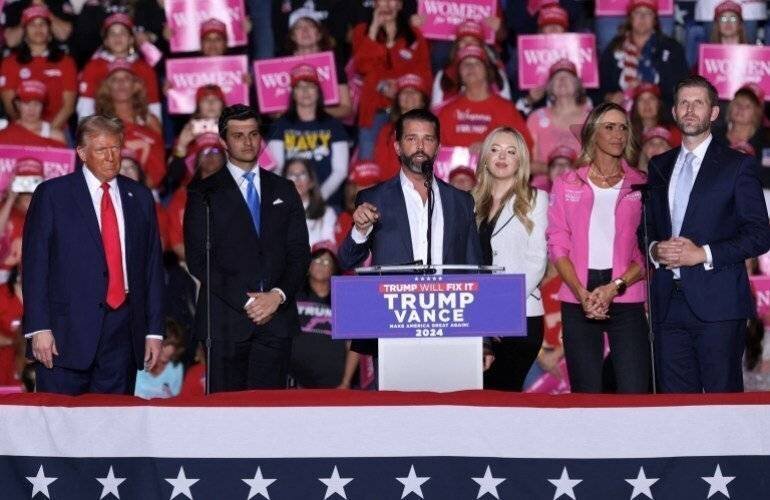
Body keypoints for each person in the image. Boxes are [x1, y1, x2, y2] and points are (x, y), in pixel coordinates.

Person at [644, 75, 770, 393]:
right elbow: (643, 229)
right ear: (673, 111)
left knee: (721, 407)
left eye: (698, 102)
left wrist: (703, 253)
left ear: (714, 113)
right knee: (674, 411)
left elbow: (759, 234)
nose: (690, 109)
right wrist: (655, 250)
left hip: (719, 304)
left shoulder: (737, 166)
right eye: (683, 102)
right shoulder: (658, 165)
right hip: (666, 304)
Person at [22, 115, 165, 395]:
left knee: (114, 427)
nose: (111, 157)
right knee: (61, 428)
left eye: (116, 148)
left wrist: (154, 331)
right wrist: (38, 327)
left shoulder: (140, 197)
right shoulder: (53, 194)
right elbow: (35, 265)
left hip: (122, 332)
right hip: (64, 334)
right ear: (82, 153)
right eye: (101, 150)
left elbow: (151, 268)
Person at [183, 104, 310, 392]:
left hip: (276, 320)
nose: (248, 141)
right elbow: (199, 259)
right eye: (238, 135)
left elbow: (299, 252)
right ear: (224, 141)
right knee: (225, 422)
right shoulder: (203, 193)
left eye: (253, 134)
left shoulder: (284, 189)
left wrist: (277, 296)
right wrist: (249, 302)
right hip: (226, 323)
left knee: (270, 419)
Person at [547, 102, 650, 393]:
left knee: (635, 393)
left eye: (623, 127)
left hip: (625, 292)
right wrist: (581, 293)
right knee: (586, 395)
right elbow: (557, 244)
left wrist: (614, 287)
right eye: (609, 127)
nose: (618, 134)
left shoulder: (641, 185)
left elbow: (647, 252)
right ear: (593, 134)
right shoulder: (567, 183)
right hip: (578, 292)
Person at [339, 108, 483, 270]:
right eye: (411, 139)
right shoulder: (373, 198)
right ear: (398, 147)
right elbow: (347, 261)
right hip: (392, 295)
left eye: (428, 139)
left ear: (438, 148)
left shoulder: (461, 201)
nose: (420, 146)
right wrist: (360, 230)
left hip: (450, 295)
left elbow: (475, 267)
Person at [473, 127, 548, 391]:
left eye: (511, 151)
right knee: (476, 398)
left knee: (504, 395)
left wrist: (501, 311)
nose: (502, 156)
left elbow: (537, 261)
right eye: (495, 150)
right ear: (484, 157)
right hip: (475, 317)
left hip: (520, 316)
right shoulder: (468, 202)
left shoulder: (537, 199)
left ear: (521, 160)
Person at [351, 0, 431, 160]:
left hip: (407, 107)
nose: (386, 4)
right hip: (374, 110)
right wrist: (373, 28)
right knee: (369, 161)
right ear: (374, 4)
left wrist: (401, 87)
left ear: (401, 5)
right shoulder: (361, 32)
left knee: (411, 158)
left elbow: (424, 74)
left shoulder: (414, 35)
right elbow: (362, 67)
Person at [267, 65, 349, 204]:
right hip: (289, 201)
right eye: (300, 87)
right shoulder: (280, 125)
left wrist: (319, 198)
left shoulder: (334, 125)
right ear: (293, 93)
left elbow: (340, 171)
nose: (305, 91)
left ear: (318, 92)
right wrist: (289, 197)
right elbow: (277, 167)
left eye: (310, 86)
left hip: (326, 202)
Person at [435, 45, 532, 152]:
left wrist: (492, 149)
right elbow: (435, 153)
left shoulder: (506, 108)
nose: (470, 67)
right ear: (459, 74)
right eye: (465, 64)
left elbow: (525, 148)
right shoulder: (447, 112)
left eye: (476, 63)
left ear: (487, 71)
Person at [0, 6, 77, 132]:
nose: (38, 28)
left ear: (50, 31)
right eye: (32, 24)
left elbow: (68, 106)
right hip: (21, 129)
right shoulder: (9, 63)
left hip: (56, 129)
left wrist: (48, 131)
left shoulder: (66, 62)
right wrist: (28, 130)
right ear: (24, 32)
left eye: (43, 24)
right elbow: (10, 106)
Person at [599, 0, 688, 109]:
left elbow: (681, 87)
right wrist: (609, 96)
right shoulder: (615, 46)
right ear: (630, 18)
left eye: (648, 13)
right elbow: (601, 85)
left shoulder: (672, 47)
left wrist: (648, 89)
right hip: (622, 112)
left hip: (661, 113)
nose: (642, 17)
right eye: (637, 13)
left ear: (655, 20)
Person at [77, 13, 162, 122]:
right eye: (112, 33)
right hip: (103, 127)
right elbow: (85, 107)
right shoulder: (93, 67)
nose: (117, 37)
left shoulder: (145, 68)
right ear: (106, 41)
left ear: (131, 39)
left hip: (138, 126)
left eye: (123, 32)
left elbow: (154, 108)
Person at [95, 60, 166, 188]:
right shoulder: (99, 123)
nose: (121, 83)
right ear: (107, 87)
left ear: (135, 85)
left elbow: (159, 166)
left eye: (126, 78)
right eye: (115, 80)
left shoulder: (148, 120)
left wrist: (139, 191)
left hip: (145, 190)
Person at [290, 241, 348, 388]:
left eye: (326, 261)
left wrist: (346, 382)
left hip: (334, 381)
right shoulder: (292, 294)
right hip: (295, 378)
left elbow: (352, 343)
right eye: (316, 260)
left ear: (334, 268)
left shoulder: (344, 299)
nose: (320, 264)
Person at [525, 59, 591, 175]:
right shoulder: (536, 118)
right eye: (557, 78)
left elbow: (601, 161)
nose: (562, 80)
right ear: (549, 87)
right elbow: (525, 163)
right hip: (543, 187)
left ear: (578, 85)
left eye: (568, 77)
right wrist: (553, 171)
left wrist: (571, 173)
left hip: (582, 185)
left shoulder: (592, 118)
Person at [373, 73, 430, 181]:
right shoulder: (386, 130)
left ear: (423, 100)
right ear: (398, 100)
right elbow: (381, 164)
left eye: (414, 91)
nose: (409, 94)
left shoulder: (434, 129)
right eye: (404, 91)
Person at [713, 84, 770, 169]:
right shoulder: (714, 137)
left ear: (757, 113)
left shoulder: (765, 143)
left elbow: (766, 176)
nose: (741, 108)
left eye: (747, 106)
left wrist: (752, 161)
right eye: (738, 103)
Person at [284, 158, 338, 246]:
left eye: (302, 174)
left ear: (311, 182)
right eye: (291, 175)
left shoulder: (326, 213)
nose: (297, 180)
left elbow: (329, 248)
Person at [0, 80, 67, 147]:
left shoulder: (55, 137)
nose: (31, 109)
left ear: (43, 106)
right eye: (27, 103)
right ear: (18, 105)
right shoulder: (5, 134)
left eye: (37, 104)